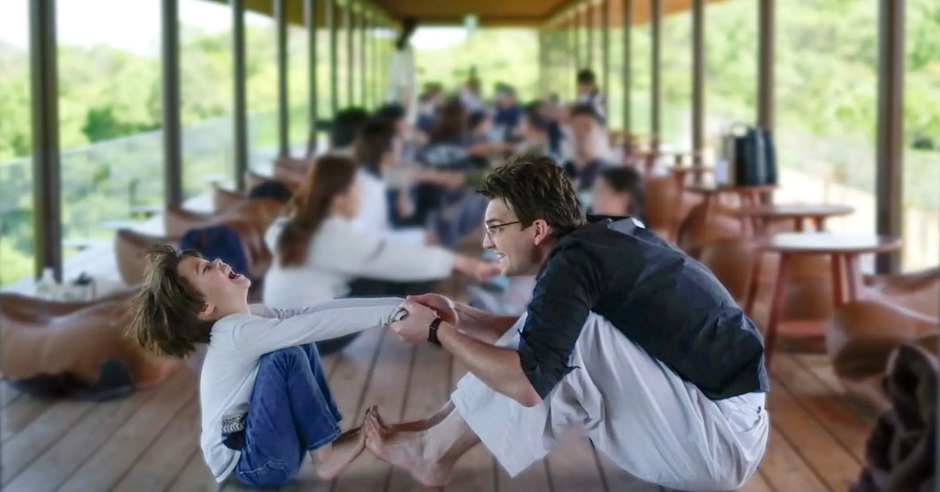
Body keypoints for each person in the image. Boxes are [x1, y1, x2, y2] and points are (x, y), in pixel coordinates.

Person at [364, 156, 770, 491]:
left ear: (538, 229)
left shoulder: (575, 263)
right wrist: (460, 315)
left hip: (715, 440)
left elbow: (527, 382)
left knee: (570, 340)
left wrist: (437, 331)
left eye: (495, 229)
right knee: (559, 334)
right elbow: (546, 329)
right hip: (724, 423)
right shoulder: (602, 237)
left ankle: (432, 450)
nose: (487, 243)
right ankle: (436, 432)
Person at [128, 244, 406, 488]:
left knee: (295, 336)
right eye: (207, 268)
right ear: (204, 307)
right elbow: (314, 325)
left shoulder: (252, 317)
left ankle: (326, 442)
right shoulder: (236, 334)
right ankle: (325, 456)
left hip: (266, 451)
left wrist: (400, 306)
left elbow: (309, 315)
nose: (219, 261)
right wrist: (392, 314)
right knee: (287, 354)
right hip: (253, 465)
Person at [262, 154, 498, 309]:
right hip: (312, 334)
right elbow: (389, 258)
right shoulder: (328, 235)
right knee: (397, 276)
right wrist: (462, 263)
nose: (362, 196)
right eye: (357, 189)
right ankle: (439, 330)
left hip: (293, 318)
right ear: (338, 197)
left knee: (396, 271)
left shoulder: (298, 223)